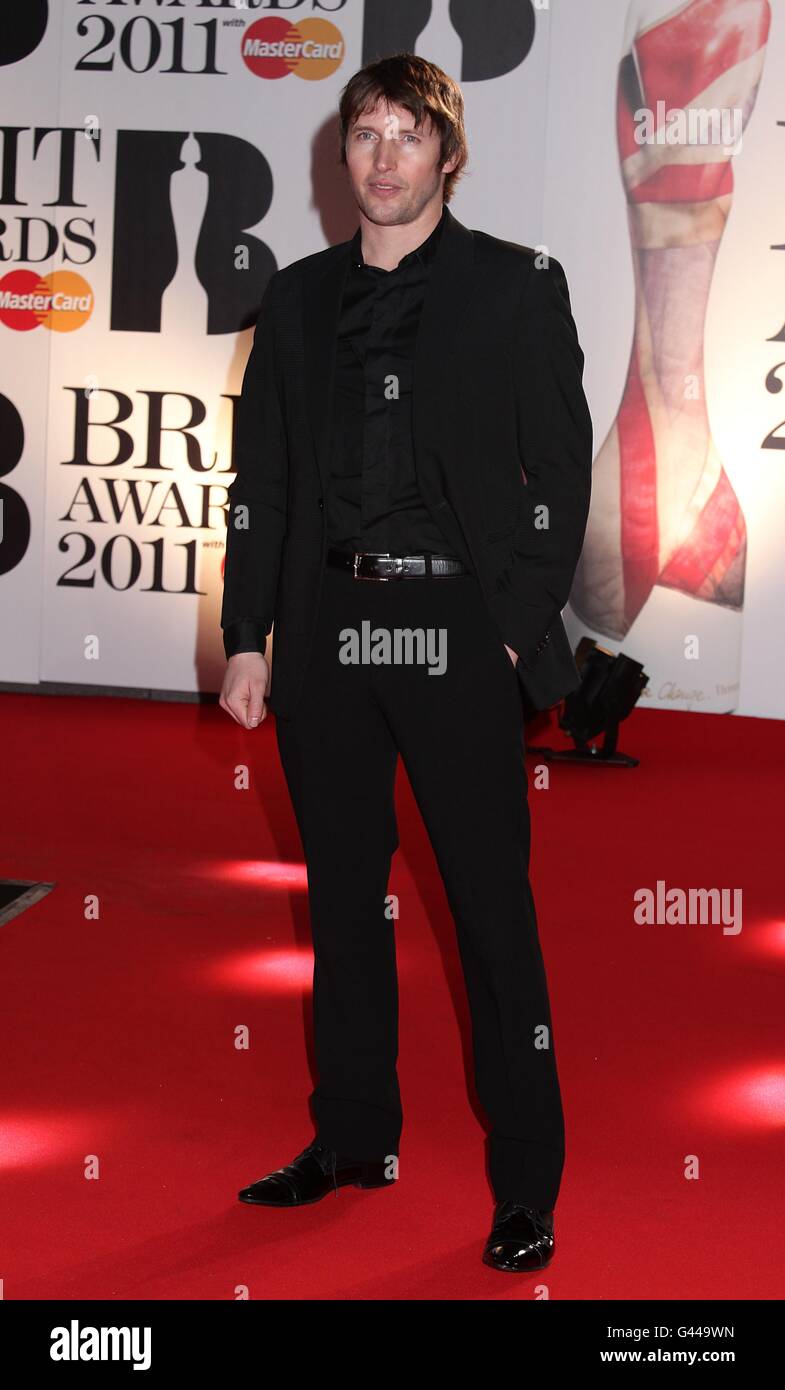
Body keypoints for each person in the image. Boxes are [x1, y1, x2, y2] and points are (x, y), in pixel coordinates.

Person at [219, 52, 593, 1272]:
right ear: (344, 155)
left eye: (407, 135)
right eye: (364, 133)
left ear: (447, 154)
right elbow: (262, 482)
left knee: (489, 914)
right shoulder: (298, 297)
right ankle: (352, 1136)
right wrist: (245, 636)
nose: (383, 156)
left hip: (451, 638)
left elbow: (561, 470)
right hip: (323, 632)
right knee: (340, 903)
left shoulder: (513, 289)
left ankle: (526, 1179)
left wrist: (509, 622)